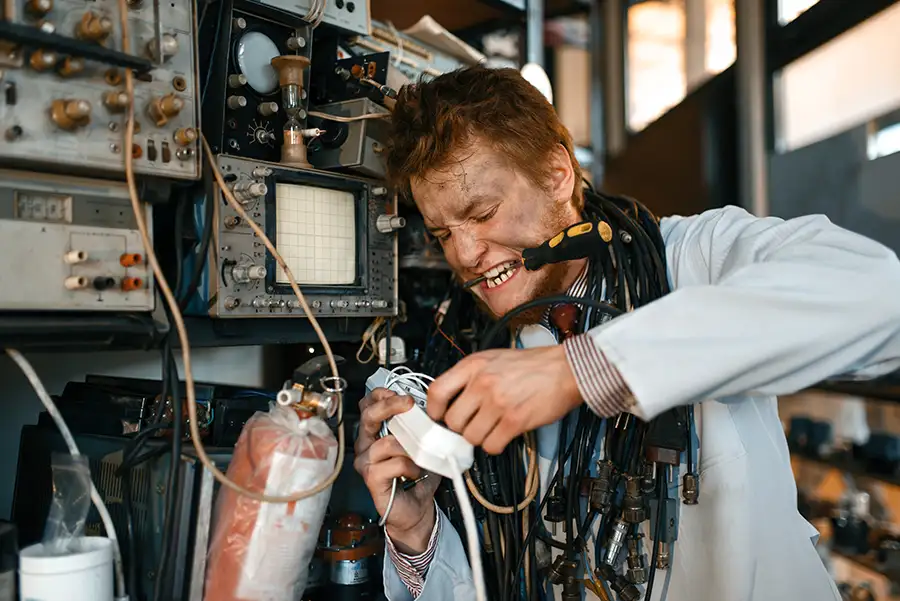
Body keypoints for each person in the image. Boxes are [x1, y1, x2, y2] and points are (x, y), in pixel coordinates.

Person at [352, 65, 900, 601]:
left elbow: (879, 294)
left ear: (557, 173)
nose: (465, 256)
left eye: (484, 212)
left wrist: (581, 370)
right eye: (444, 232)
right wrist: (418, 535)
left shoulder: (694, 257)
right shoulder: (478, 349)